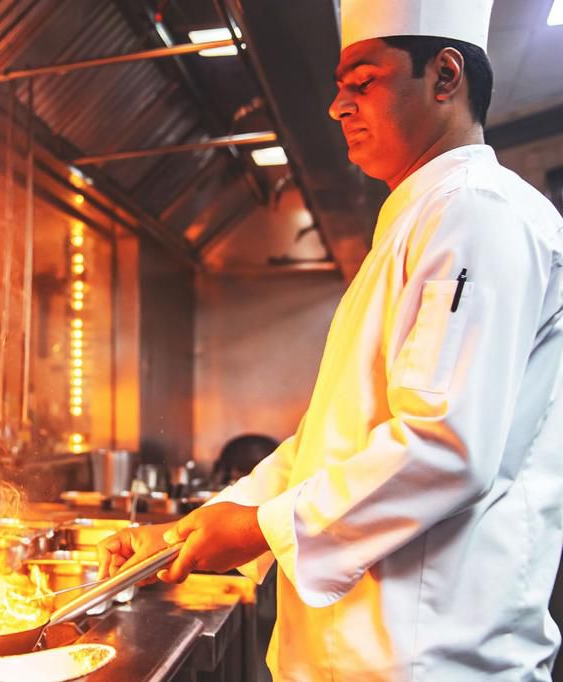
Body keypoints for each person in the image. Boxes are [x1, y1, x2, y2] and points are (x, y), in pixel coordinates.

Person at [97, 0, 563, 678]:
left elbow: (445, 446)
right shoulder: (416, 225)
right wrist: (190, 531)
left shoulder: (478, 214)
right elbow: (325, 446)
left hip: (432, 662)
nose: (336, 107)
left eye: (362, 80)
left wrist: (257, 529)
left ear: (444, 76)